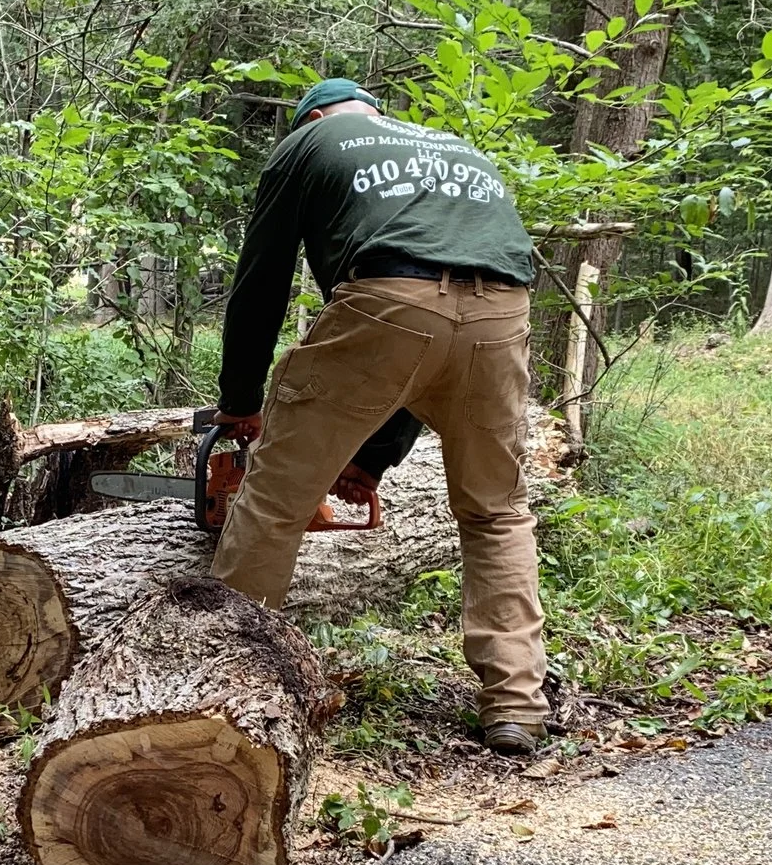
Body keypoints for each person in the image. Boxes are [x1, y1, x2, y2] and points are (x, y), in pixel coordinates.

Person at [210, 77, 548, 756]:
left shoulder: (308, 142)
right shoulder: (454, 149)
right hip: (503, 310)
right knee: (496, 511)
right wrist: (372, 458)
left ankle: (226, 690)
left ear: (314, 117)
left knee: (275, 502)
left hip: (387, 296)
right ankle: (515, 704)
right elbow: (437, 359)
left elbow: (263, 283)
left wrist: (241, 404)